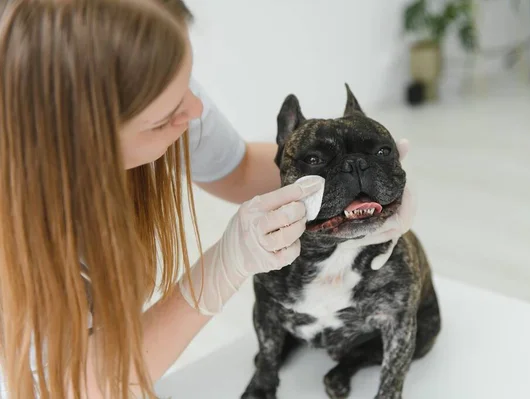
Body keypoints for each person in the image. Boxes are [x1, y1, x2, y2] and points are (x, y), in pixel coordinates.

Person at [0, 0, 416, 398]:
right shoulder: (16, 231)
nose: (196, 109)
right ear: (81, 138)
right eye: (164, 117)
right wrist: (221, 266)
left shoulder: (161, 91)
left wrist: (371, 174)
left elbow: (236, 170)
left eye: (189, 83)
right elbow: (83, 386)